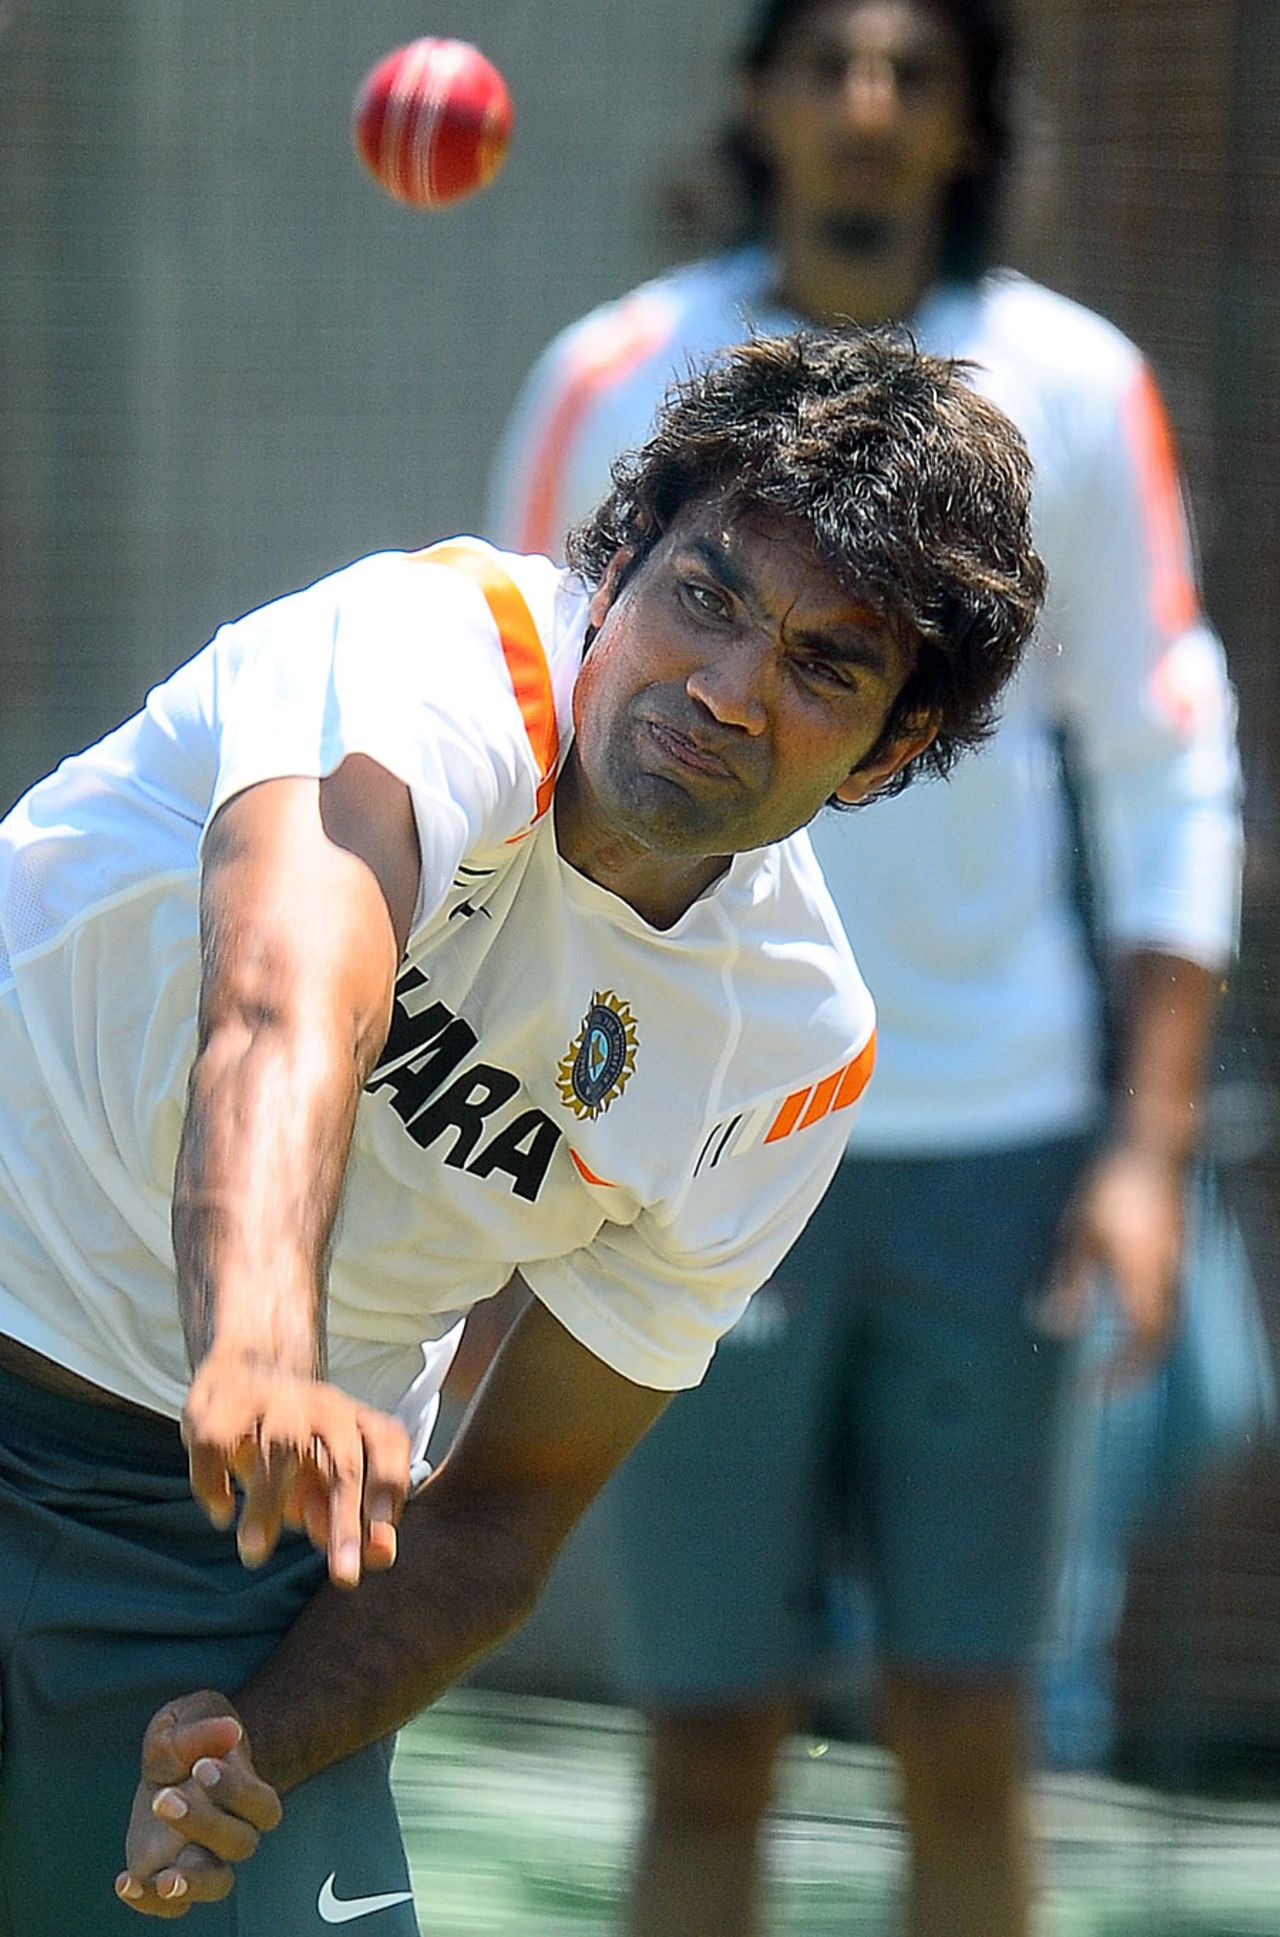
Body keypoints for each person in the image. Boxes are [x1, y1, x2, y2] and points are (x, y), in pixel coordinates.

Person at [0, 328, 1046, 1932]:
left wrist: (250, 1749)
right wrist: (265, 1345)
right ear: (617, 565)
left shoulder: (789, 1053)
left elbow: (504, 1509)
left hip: (212, 1551)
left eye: (824, 665)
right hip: (238, 1397)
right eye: (706, 596)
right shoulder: (435, 647)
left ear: (892, 748)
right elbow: (287, 994)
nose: (727, 688)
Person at [483, 3, 1243, 1935]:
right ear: (761, 99)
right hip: (664, 1133)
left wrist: (1144, 1153)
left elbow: (1171, 767)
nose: (868, 105)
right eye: (828, 60)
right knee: (704, 1738)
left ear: (973, 117)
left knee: (971, 1727)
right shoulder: (619, 369)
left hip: (991, 1159)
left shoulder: (1079, 387)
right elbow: (520, 720)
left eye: (915, 69)